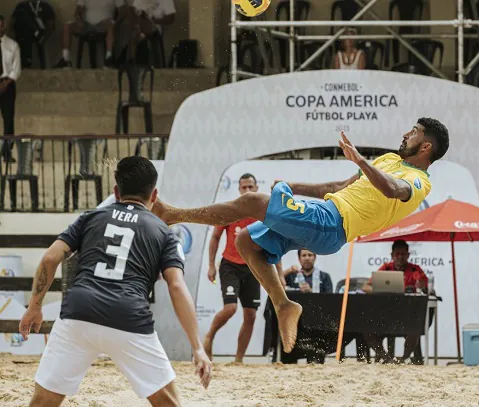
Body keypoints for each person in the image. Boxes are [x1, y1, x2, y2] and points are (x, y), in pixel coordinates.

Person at [152, 118, 450, 353]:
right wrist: (295, 186)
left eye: (413, 132)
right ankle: (284, 305)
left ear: (425, 147)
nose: (405, 134)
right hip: (325, 214)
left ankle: (172, 214)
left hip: (334, 225)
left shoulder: (418, 181)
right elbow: (336, 185)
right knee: (246, 241)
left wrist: (361, 161)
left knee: (251, 203)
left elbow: (393, 190)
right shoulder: (388, 160)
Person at [19, 156, 211, 407]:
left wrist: (35, 306)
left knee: (43, 401)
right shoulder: (165, 233)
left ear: (115, 192)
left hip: (79, 313)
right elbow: (176, 286)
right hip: (129, 317)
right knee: (169, 403)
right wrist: (197, 347)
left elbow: (50, 257)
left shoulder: (90, 217)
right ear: (154, 195)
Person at [204, 173, 262, 363]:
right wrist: (211, 265)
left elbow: (271, 243)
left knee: (251, 314)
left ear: (256, 188)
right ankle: (209, 336)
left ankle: (238, 360)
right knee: (230, 308)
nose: (247, 191)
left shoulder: (263, 213)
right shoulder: (230, 210)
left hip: (253, 267)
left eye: (250, 187)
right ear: (238, 190)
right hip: (230, 264)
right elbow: (214, 238)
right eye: (243, 187)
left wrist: (278, 273)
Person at [362, 239, 427, 364]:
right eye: (397, 254)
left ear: (408, 255)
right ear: (392, 255)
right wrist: (382, 290)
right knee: (367, 331)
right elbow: (365, 287)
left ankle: (402, 360)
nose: (400, 257)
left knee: (415, 330)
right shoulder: (385, 268)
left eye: (403, 254)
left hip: (407, 316)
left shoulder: (415, 270)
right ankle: (387, 358)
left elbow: (425, 287)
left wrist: (421, 285)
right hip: (385, 315)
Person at [55, 0, 123, 69]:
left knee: (111, 25)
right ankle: (66, 60)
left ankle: (108, 59)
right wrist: (79, 19)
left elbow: (123, 11)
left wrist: (116, 22)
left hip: (104, 24)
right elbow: (78, 10)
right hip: (86, 24)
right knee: (66, 26)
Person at [10, 0, 56, 69]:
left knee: (28, 36)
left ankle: (27, 63)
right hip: (21, 35)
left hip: (40, 35)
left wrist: (44, 38)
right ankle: (24, 64)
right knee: (25, 35)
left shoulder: (46, 6)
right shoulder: (21, 6)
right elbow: (11, 23)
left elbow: (51, 25)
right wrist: (11, 37)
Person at [0, 15, 20, 163]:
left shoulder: (12, 45)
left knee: (8, 119)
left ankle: (7, 152)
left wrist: (5, 84)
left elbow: (16, 68)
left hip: (7, 84)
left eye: (1, 25)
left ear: (4, 26)